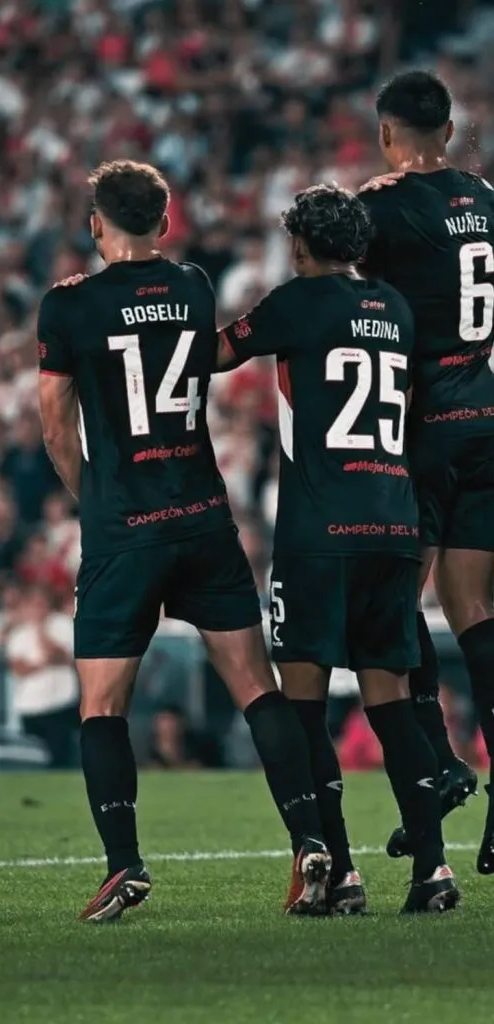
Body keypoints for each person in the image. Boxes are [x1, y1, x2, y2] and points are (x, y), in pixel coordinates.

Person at [39, 159, 330, 923]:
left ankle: (123, 863)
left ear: (95, 223)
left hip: (123, 528)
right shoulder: (194, 287)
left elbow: (55, 422)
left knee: (102, 705)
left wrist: (90, 496)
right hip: (202, 518)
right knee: (254, 686)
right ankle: (308, 840)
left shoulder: (67, 305)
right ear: (164, 223)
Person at [217, 184, 459, 913]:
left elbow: (215, 353)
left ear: (298, 245)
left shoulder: (295, 301)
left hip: (318, 535)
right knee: (391, 705)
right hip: (393, 524)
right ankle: (433, 872)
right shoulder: (395, 308)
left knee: (304, 706)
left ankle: (342, 874)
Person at [360, 70, 491, 874]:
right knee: (474, 609)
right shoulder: (486, 198)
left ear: (385, 132)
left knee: (395, 600)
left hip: (421, 425)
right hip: (486, 410)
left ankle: (437, 762)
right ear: (447, 130)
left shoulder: (377, 206)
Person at [5, 585, 80, 768]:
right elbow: (19, 668)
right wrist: (44, 663)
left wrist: (41, 631)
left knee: (61, 757)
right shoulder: (19, 634)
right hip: (30, 704)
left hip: (60, 701)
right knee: (33, 759)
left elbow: (60, 655)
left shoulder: (63, 626)